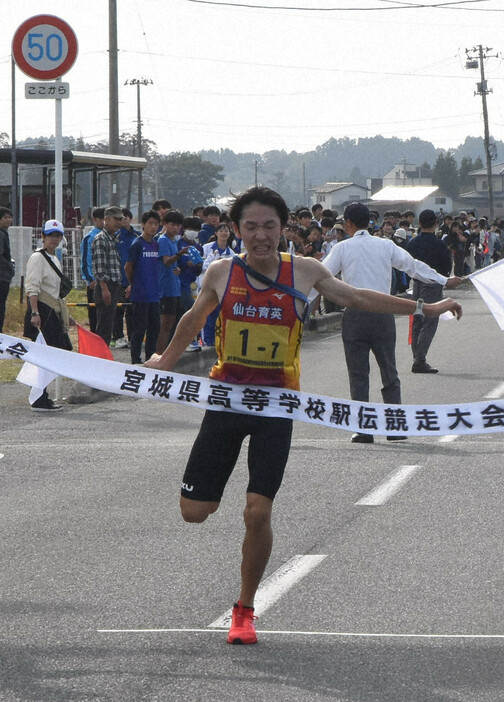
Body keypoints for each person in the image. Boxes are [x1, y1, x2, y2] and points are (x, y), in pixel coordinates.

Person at [145, 186, 462, 645]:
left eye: (269, 227)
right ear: (236, 230)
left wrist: (424, 306)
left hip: (278, 407)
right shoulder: (221, 272)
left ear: (283, 229)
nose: (260, 236)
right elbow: (193, 320)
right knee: (195, 512)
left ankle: (245, 609)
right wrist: (165, 361)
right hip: (227, 403)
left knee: (257, 510)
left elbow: (358, 297)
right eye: (250, 227)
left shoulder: (306, 271)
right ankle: (222, 513)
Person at [321, 202, 462, 443]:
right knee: (389, 369)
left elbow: (321, 276)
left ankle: (363, 429)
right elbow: (413, 267)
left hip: (354, 315)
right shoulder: (385, 245)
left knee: (358, 373)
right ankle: (395, 427)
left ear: (349, 224)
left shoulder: (342, 248)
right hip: (383, 312)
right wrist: (443, 280)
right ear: (369, 221)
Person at [24, 219, 74, 411]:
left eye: (57, 236)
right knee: (45, 355)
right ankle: (39, 397)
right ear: (42, 237)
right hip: (42, 311)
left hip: (53, 310)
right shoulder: (38, 258)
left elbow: (56, 291)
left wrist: (65, 314)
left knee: (53, 354)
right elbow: (32, 288)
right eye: (50, 235)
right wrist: (35, 312)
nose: (54, 239)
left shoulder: (54, 259)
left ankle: (41, 395)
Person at [407, 209, 456, 374]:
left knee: (417, 319)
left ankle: (416, 356)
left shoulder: (412, 243)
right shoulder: (439, 244)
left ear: (419, 224)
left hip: (417, 285)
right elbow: (446, 267)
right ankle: (420, 360)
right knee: (430, 321)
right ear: (436, 223)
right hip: (433, 285)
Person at [124, 211, 160, 365]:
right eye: (150, 223)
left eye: (156, 224)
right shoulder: (137, 244)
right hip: (140, 294)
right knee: (139, 329)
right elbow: (128, 267)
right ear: (143, 225)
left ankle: (150, 357)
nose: (153, 227)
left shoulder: (155, 244)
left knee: (154, 328)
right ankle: (135, 359)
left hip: (154, 294)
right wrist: (134, 283)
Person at [156, 210, 188, 354]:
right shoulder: (163, 240)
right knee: (165, 325)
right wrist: (179, 254)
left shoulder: (174, 241)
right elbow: (167, 261)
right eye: (172, 225)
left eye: (178, 225)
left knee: (171, 324)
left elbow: (173, 263)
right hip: (166, 287)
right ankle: (159, 354)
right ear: (165, 224)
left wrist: (178, 268)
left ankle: (166, 354)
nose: (175, 228)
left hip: (174, 286)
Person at [91, 206, 124, 346]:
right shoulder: (101, 239)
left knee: (108, 325)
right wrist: (105, 289)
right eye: (115, 219)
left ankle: (103, 356)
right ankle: (100, 358)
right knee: (103, 326)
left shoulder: (112, 239)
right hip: (106, 287)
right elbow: (100, 268)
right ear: (106, 219)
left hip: (114, 286)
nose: (118, 222)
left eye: (120, 219)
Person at [112, 208, 139, 348]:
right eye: (120, 218)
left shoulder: (138, 236)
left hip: (134, 280)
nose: (123, 220)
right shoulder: (114, 237)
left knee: (133, 311)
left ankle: (132, 337)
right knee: (118, 310)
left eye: (125, 217)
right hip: (119, 280)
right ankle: (118, 337)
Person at [0, 207, 14, 333]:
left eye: (10, 217)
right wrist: (9, 266)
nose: (8, 220)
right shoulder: (1, 234)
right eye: (5, 217)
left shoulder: (4, 233)